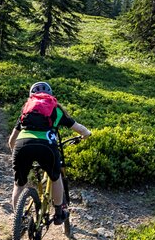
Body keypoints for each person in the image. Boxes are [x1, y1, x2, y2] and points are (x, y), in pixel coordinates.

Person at [7, 82, 92, 224]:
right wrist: (86, 134)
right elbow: (79, 129)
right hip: (46, 146)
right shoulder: (56, 110)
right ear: (51, 95)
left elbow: (11, 140)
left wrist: (15, 153)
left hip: (22, 145)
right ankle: (59, 213)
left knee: (19, 184)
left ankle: (18, 220)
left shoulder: (26, 111)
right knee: (55, 177)